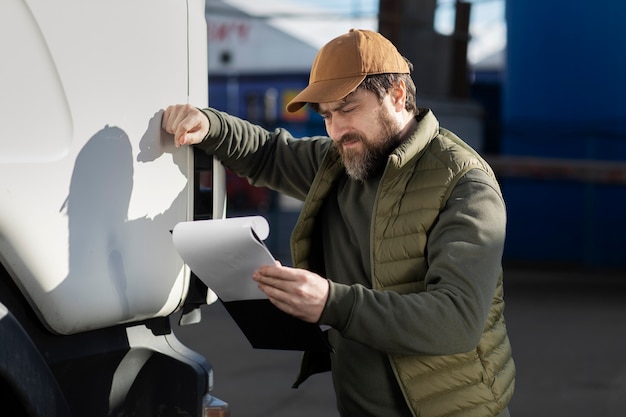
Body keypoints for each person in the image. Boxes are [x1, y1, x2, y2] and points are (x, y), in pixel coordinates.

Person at [162, 29, 515, 417]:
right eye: (327, 115)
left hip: (449, 407)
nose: (335, 129)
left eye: (348, 108)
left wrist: (332, 303)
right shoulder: (341, 161)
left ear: (397, 95)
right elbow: (267, 154)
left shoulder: (463, 184)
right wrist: (208, 124)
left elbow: (457, 320)